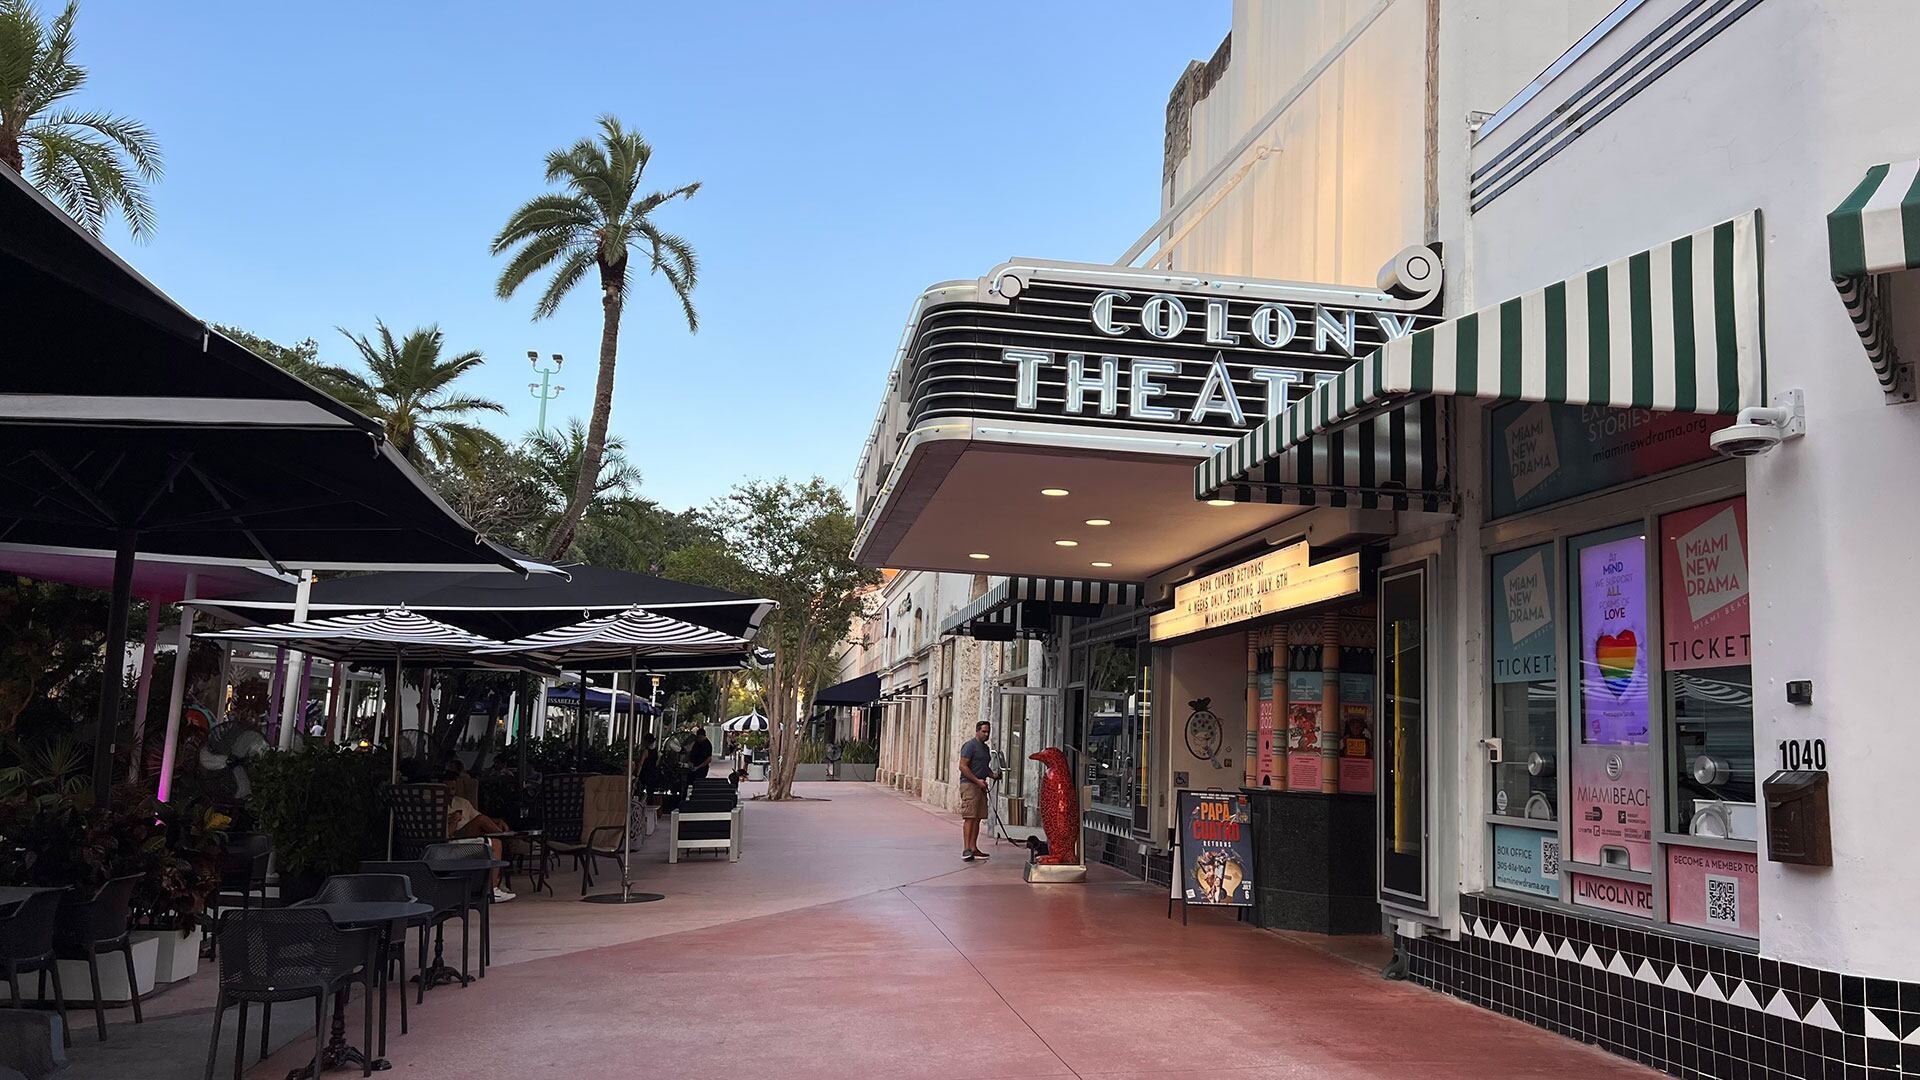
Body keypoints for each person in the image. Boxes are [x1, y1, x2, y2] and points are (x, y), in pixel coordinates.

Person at [957, 720, 996, 861]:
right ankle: (966, 849)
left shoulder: (985, 749)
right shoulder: (970, 746)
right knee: (970, 817)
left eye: (988, 732)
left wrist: (993, 775)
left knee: (978, 817)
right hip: (970, 784)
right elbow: (963, 766)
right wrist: (976, 780)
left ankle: (974, 847)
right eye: (984, 731)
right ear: (977, 731)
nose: (986, 734)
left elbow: (984, 767)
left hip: (981, 785)